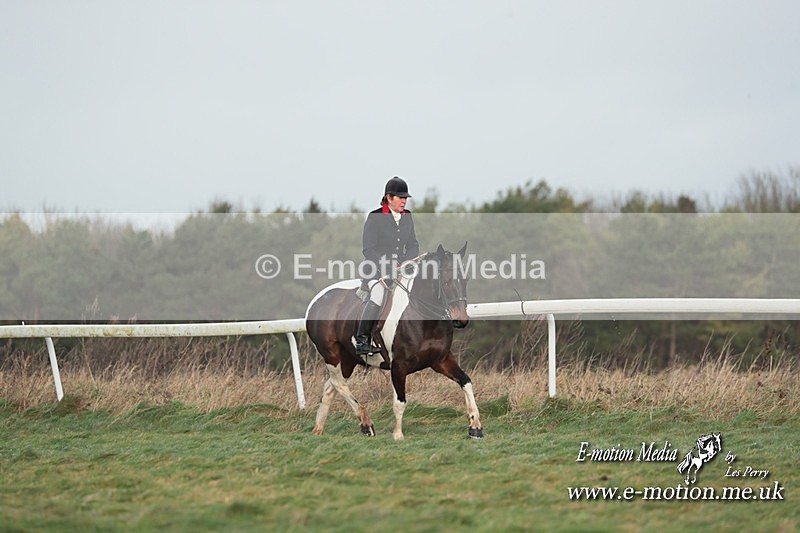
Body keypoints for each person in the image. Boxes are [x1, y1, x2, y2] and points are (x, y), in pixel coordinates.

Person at [355, 176, 419, 357]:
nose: (405, 201)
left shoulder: (407, 217)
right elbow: (368, 249)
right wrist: (388, 265)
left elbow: (413, 244)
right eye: (401, 197)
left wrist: (407, 260)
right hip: (377, 271)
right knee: (378, 294)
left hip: (401, 270)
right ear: (389, 198)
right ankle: (362, 339)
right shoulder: (375, 217)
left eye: (406, 198)